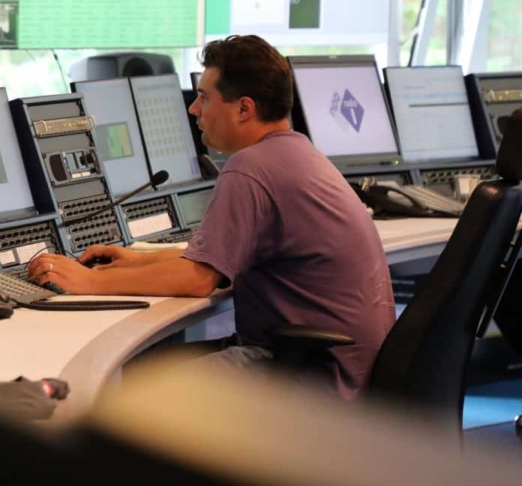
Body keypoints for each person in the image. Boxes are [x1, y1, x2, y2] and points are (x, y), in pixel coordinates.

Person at [27, 35, 395, 399]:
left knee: (134, 392)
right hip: (343, 370)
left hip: (307, 377)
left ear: (244, 109)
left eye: (204, 98)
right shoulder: (299, 154)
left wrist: (87, 283)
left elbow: (198, 278)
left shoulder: (251, 168)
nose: (194, 110)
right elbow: (221, 260)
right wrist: (140, 260)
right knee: (143, 365)